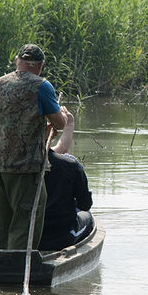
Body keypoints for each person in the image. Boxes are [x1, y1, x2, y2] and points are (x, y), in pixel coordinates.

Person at [0, 44, 66, 250]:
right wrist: (62, 117)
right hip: (26, 167)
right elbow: (60, 124)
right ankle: (16, 268)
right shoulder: (43, 86)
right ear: (39, 66)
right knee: (25, 221)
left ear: (17, 62)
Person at [40, 107, 93, 250]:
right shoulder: (70, 164)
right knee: (88, 217)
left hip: (24, 235)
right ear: (52, 133)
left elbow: (61, 148)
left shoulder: (12, 165)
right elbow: (85, 205)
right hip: (60, 237)